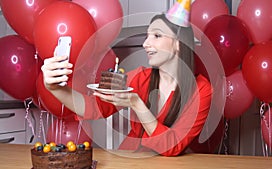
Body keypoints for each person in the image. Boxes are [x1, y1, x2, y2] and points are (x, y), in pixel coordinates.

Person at [41, 0, 212, 156]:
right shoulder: (139, 78)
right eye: (147, 36)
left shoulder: (201, 90)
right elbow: (92, 107)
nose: (145, 43)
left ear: (177, 43)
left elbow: (173, 146)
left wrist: (137, 104)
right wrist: (54, 88)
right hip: (129, 159)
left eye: (157, 36)